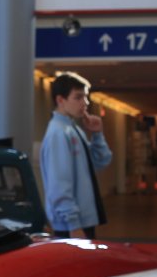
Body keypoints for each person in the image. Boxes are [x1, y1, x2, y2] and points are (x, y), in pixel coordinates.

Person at [39, 72, 110, 238]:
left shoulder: (72, 129)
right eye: (78, 97)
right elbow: (59, 184)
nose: (85, 103)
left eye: (85, 97)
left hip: (81, 221)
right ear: (60, 100)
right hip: (71, 226)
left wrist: (97, 134)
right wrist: (73, 224)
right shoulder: (58, 133)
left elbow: (100, 162)